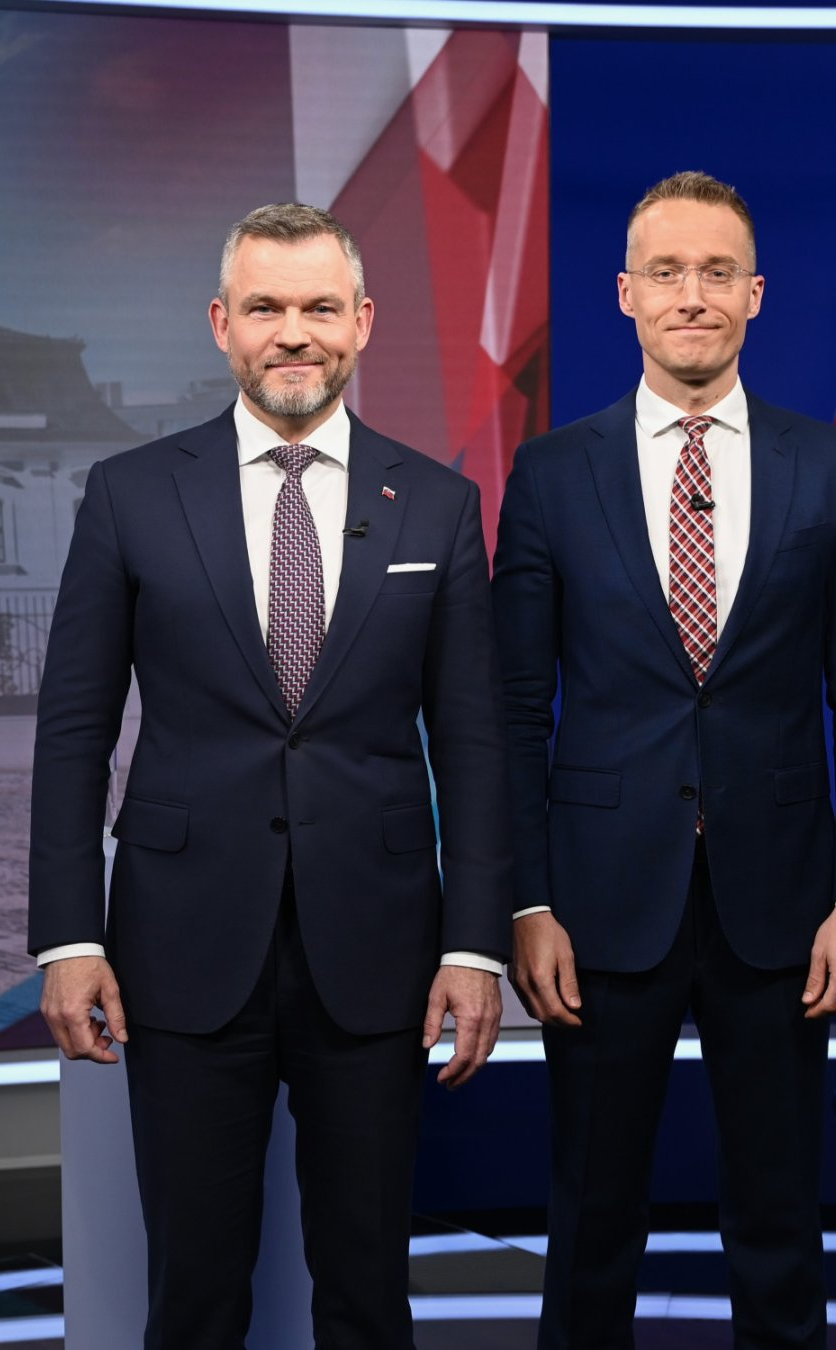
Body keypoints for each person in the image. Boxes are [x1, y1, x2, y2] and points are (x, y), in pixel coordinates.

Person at [28, 202, 511, 1350]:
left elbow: (475, 740)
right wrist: (68, 937)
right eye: (265, 308)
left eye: (319, 307)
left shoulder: (437, 502)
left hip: (379, 952)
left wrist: (474, 945)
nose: (294, 333)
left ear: (363, 322)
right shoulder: (131, 492)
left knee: (366, 1290)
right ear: (221, 324)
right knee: (194, 1293)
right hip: (181, 949)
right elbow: (74, 730)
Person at [493, 170, 836, 1350]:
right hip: (599, 905)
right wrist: (529, 901)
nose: (693, 295)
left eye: (718, 272)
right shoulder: (553, 472)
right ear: (627, 293)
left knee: (779, 1213)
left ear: (756, 294)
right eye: (667, 272)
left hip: (783, 904)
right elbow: (516, 711)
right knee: (591, 1214)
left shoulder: (834, 468)